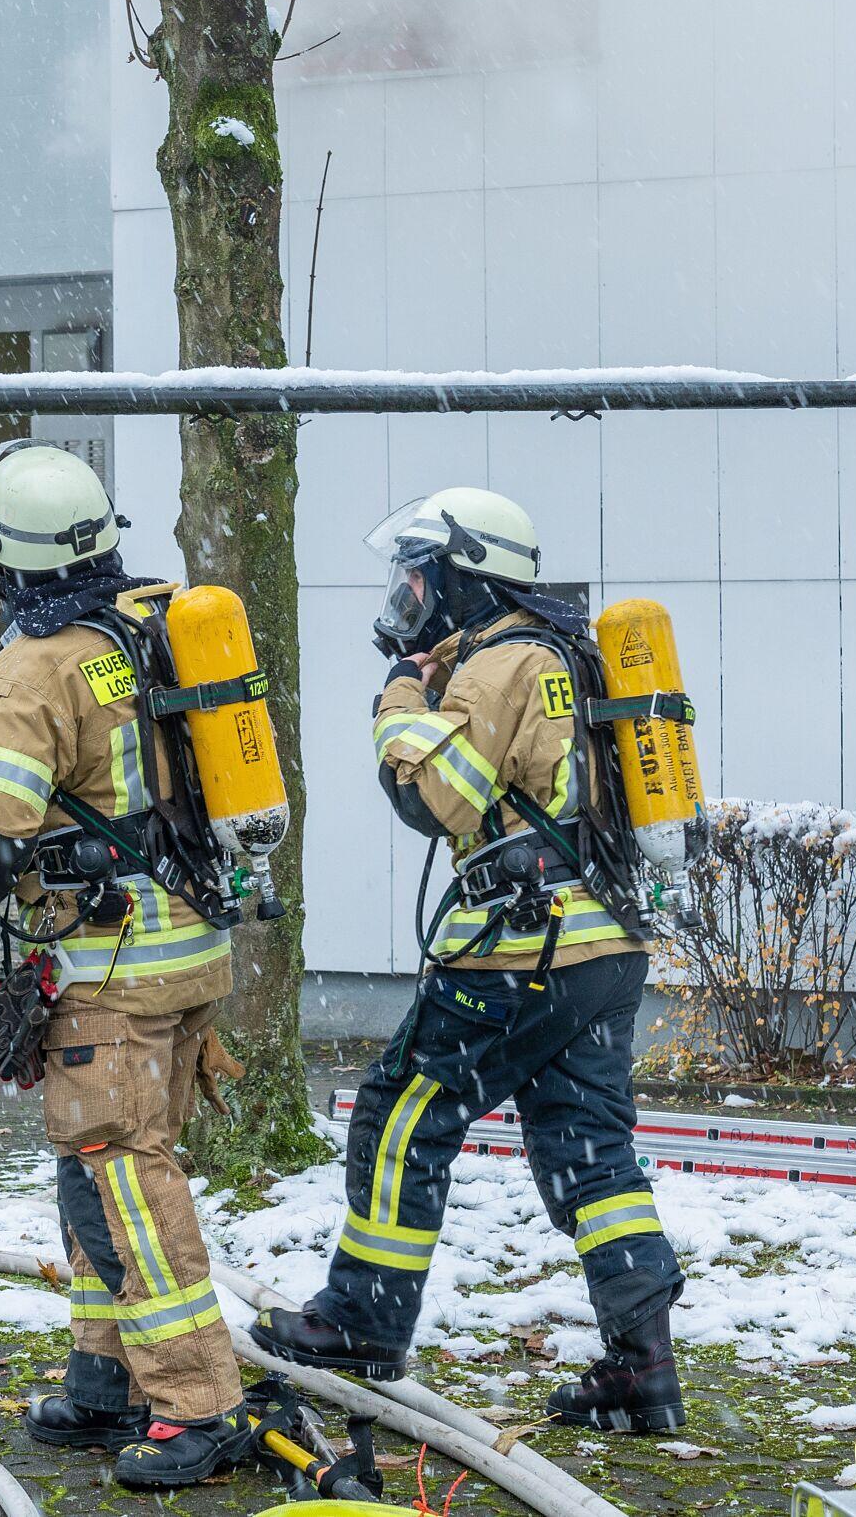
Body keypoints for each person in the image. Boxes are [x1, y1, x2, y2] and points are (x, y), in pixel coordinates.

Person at [252, 488, 688, 1433]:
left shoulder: (499, 664)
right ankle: (643, 1364)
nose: (408, 591)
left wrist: (398, 697)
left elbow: (434, 800)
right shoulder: (565, 651)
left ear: (461, 576)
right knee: (590, 1152)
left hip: (515, 950)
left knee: (402, 1114)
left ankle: (364, 1319)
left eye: (420, 572)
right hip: (601, 946)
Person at [0, 440, 254, 1490]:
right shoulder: (152, 624)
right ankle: (105, 1381)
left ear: (3, 562)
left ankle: (198, 1408)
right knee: (94, 1173)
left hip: (113, 971)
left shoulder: (37, 667)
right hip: (188, 946)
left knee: (126, 1181)